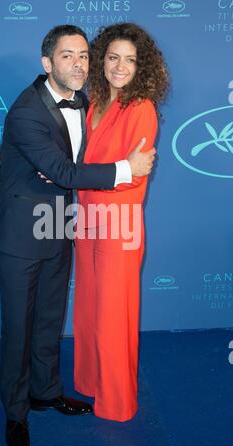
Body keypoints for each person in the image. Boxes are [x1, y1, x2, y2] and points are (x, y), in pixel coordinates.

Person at [0, 24, 156, 446]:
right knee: (18, 329)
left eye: (83, 55)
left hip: (62, 229)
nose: (78, 63)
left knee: (48, 322)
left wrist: (66, 170)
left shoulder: (84, 101)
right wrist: (125, 169)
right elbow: (65, 171)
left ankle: (45, 393)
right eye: (68, 56)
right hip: (21, 238)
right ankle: (16, 413)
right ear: (48, 63)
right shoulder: (27, 110)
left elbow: (73, 160)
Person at [73, 23, 169, 422]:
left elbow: (134, 178)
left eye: (130, 60)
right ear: (102, 61)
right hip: (85, 219)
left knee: (113, 316)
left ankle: (116, 402)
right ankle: (90, 384)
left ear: (141, 66)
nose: (120, 66)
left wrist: (108, 174)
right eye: (113, 57)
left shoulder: (141, 108)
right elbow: (105, 167)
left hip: (119, 224)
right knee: (89, 308)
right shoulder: (93, 101)